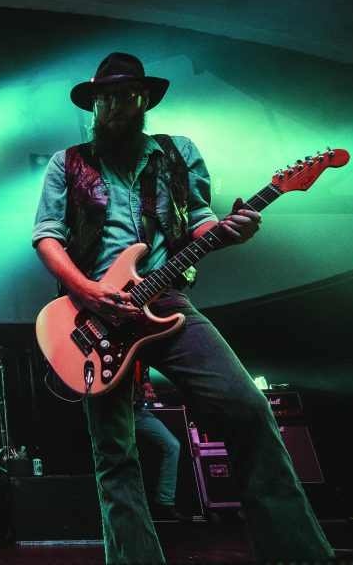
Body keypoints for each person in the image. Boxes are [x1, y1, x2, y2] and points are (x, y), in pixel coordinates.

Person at [32, 52, 332, 563]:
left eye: (126, 95)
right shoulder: (68, 162)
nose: (114, 105)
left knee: (247, 406)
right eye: (105, 98)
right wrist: (85, 290)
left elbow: (198, 221)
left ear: (145, 100)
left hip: (165, 299)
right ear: (94, 105)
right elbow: (46, 236)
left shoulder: (178, 153)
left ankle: (298, 553)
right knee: (115, 453)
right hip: (92, 313)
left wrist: (232, 230)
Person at [132, 363, 188, 522]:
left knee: (173, 445)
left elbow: (144, 380)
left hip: (137, 412)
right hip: (114, 412)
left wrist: (149, 391)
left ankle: (165, 502)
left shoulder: (140, 359)